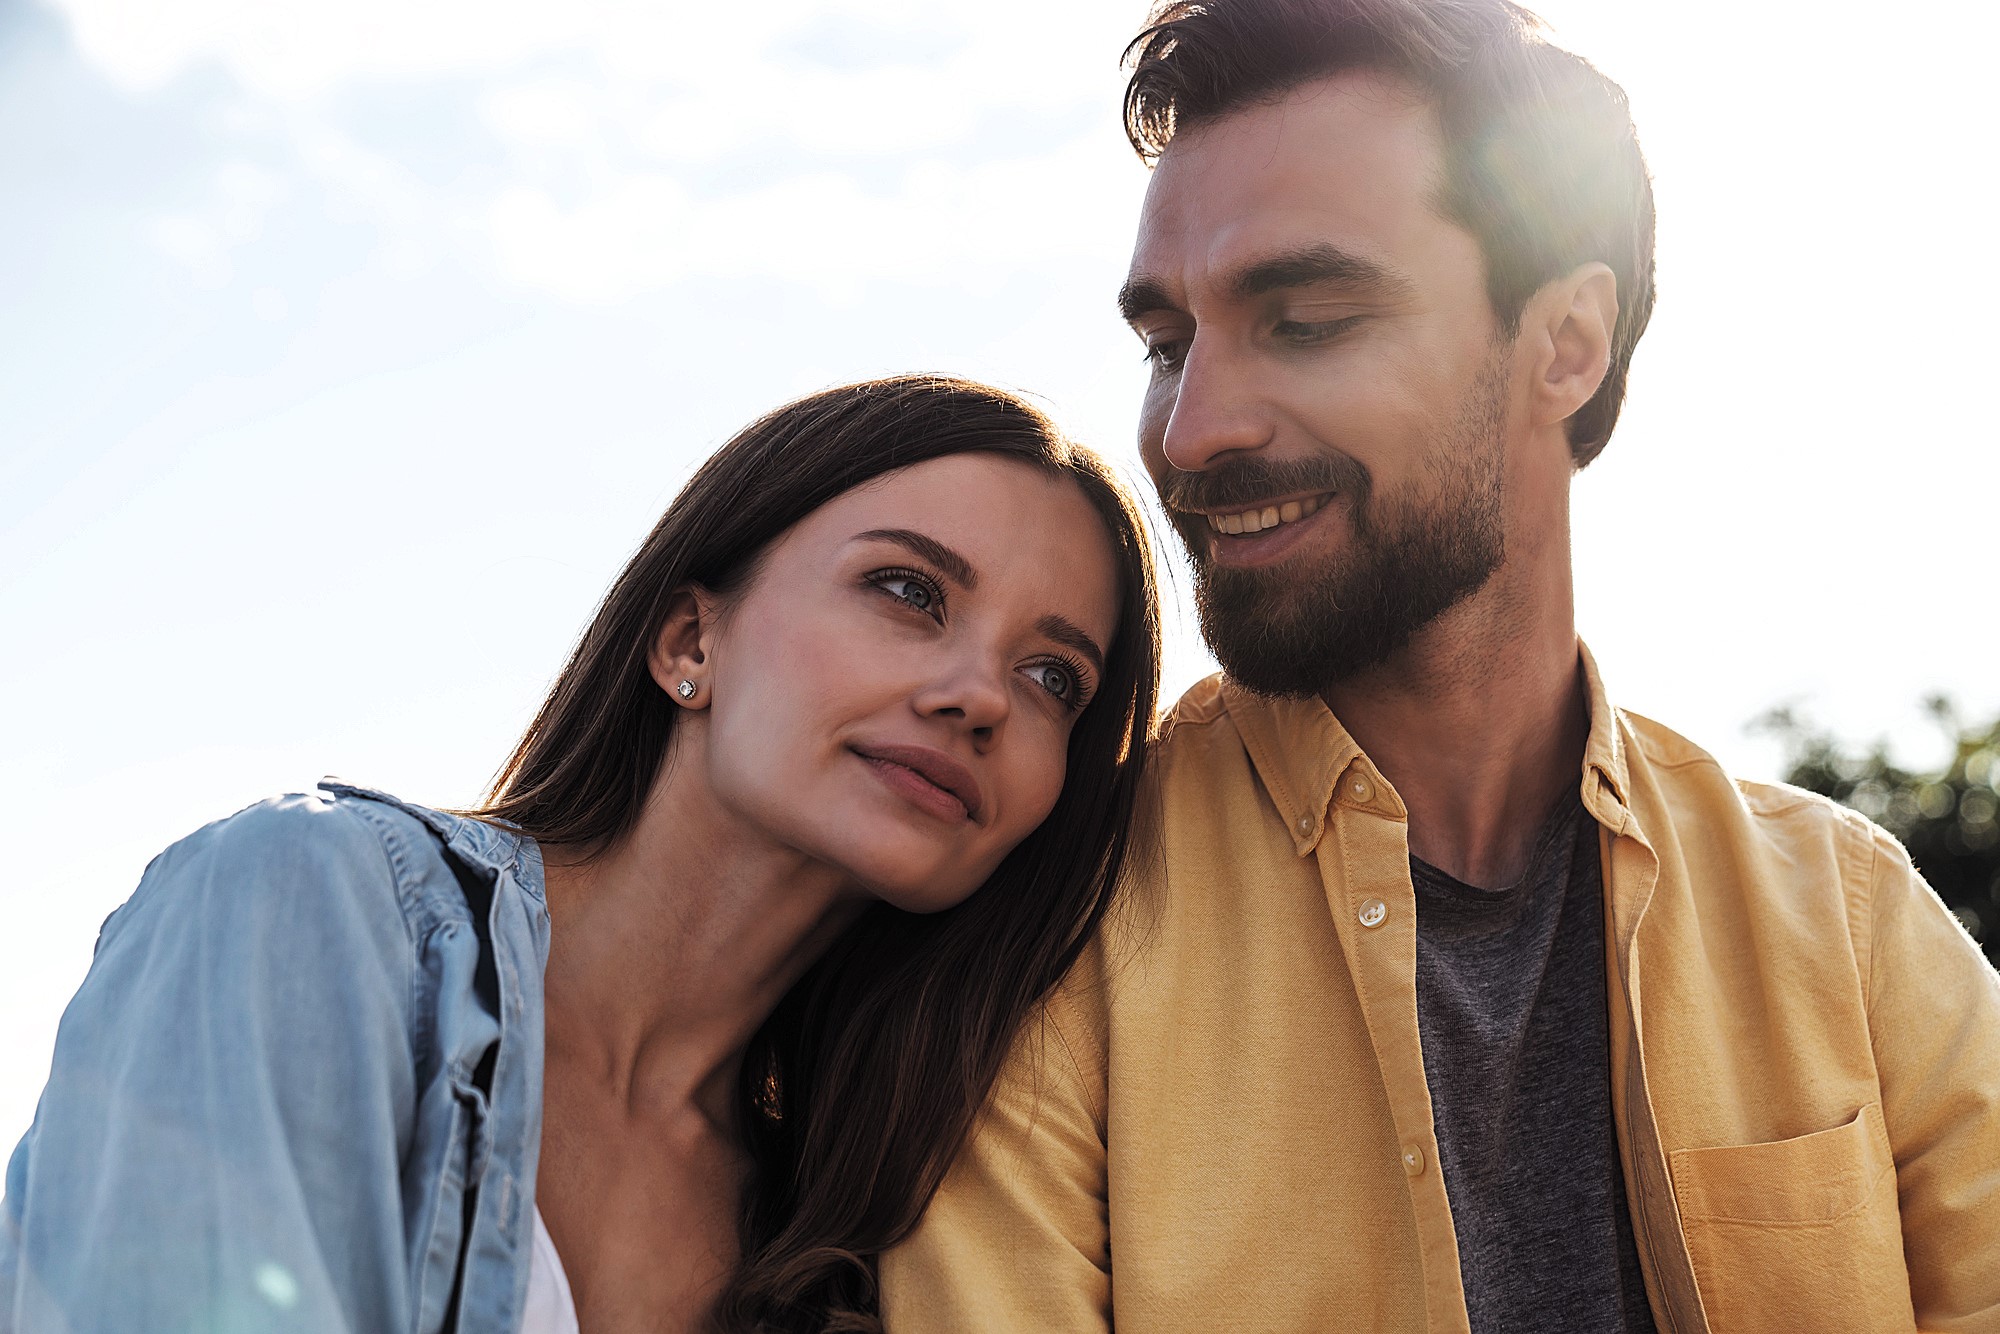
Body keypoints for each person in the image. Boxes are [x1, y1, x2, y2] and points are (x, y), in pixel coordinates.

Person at [880, 3, 2000, 1332]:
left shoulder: (1850, 924)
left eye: (1306, 319)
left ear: (1566, 345)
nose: (1192, 432)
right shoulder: (1044, 934)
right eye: (1167, 345)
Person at [0, 374, 1162, 1334]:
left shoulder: (853, 1238)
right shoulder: (303, 902)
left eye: (1051, 675)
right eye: (907, 591)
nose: (976, 697)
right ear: (686, 638)